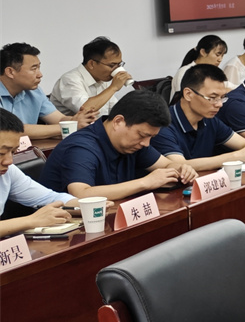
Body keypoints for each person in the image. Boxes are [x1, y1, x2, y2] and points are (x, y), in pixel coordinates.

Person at [41, 90, 196, 200]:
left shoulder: (136, 144)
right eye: (143, 135)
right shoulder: (81, 147)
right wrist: (145, 182)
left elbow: (167, 165)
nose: (146, 143)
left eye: (151, 137)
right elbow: (81, 194)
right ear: (118, 121)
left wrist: (181, 169)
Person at [153, 64, 245, 170]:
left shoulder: (209, 120)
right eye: (212, 98)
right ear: (188, 94)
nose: (219, 104)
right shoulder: (163, 125)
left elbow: (244, 144)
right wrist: (236, 157)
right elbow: (179, 165)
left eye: (222, 98)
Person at [0, 109, 81, 238]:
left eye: (13, 152)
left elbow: (50, 198)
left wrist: (87, 205)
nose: (9, 161)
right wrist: (30, 220)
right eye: (1, 153)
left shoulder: (8, 172)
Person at [49, 36, 134, 118]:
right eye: (112, 65)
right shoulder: (69, 80)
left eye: (119, 64)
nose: (117, 69)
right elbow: (85, 110)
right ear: (91, 64)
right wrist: (113, 87)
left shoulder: (102, 79)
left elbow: (116, 111)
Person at [0, 42, 71, 139]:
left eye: (39, 68)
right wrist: (67, 127)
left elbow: (59, 119)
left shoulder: (35, 92)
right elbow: (10, 131)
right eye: (34, 69)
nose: (40, 75)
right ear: (10, 72)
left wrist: (77, 121)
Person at [169, 35, 228, 99]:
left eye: (222, 55)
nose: (220, 59)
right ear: (203, 52)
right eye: (217, 54)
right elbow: (183, 99)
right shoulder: (184, 72)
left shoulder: (215, 73)